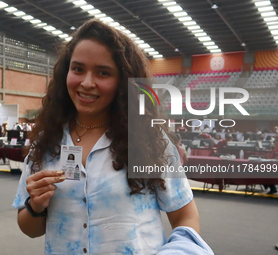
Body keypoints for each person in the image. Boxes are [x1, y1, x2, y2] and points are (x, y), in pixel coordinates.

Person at [12, 20, 213, 255]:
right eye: (77, 69)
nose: (87, 83)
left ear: (123, 81)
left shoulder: (149, 141)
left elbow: (185, 216)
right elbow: (30, 229)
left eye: (103, 73)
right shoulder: (46, 143)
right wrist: (35, 206)